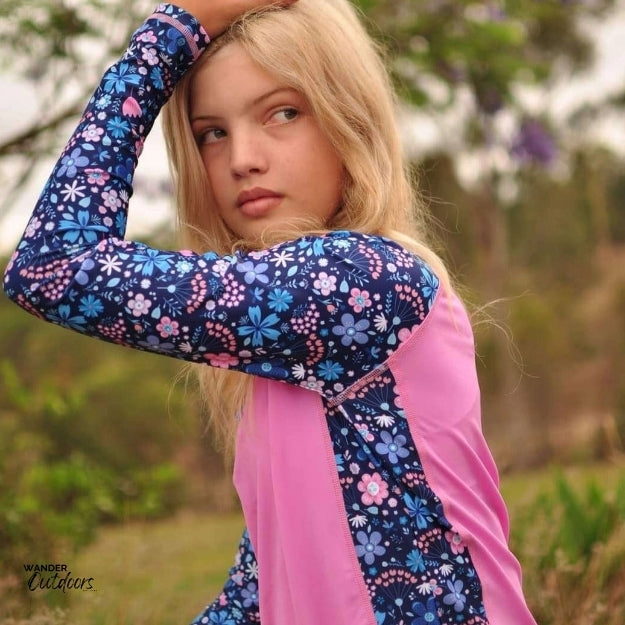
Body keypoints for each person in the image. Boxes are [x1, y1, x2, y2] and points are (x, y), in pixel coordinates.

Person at [3, 1, 538, 623]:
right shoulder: (284, 349)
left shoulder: (361, 280)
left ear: (348, 118)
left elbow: (55, 265)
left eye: (282, 113)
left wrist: (164, 38)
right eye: (213, 132)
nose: (242, 159)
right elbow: (262, 589)